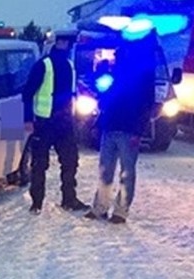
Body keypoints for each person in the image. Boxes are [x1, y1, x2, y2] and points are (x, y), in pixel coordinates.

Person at [85, 32, 157, 224]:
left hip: (128, 129)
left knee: (126, 172)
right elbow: (107, 98)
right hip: (111, 126)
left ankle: (120, 210)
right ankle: (101, 207)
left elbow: (147, 103)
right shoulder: (117, 71)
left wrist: (139, 131)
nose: (115, 56)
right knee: (106, 170)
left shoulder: (144, 72)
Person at [21, 28, 89, 214]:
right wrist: (28, 119)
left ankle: (69, 199)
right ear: (60, 43)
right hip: (44, 123)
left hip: (65, 123)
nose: (69, 47)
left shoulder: (69, 65)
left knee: (70, 162)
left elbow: (72, 93)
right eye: (68, 43)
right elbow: (27, 93)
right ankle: (37, 203)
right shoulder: (44, 65)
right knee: (39, 165)